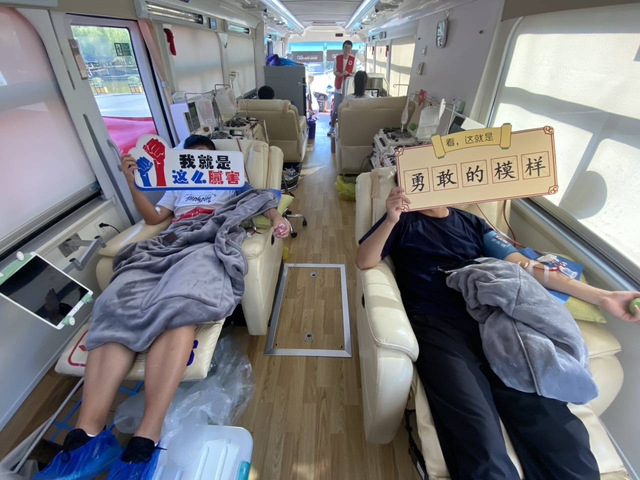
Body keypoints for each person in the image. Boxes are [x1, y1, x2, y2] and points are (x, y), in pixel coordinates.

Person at [36, 135, 288, 480]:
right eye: (191, 156)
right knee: (115, 302)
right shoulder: (177, 186)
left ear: (216, 161)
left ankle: (146, 436)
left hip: (208, 240)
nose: (198, 161)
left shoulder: (230, 179)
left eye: (205, 156)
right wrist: (132, 182)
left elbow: (261, 198)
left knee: (180, 305)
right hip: (170, 241)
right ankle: (87, 436)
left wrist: (277, 218)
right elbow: (154, 218)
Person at [356, 186, 640, 480]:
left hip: (493, 320)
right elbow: (365, 260)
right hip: (436, 324)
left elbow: (525, 267)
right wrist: (391, 218)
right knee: (476, 428)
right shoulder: (402, 221)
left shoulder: (473, 223)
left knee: (547, 416)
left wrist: (604, 296)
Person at [328, 40, 355, 136]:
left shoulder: (353, 60)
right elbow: (334, 71)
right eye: (345, 48)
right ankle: (332, 127)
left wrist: (347, 73)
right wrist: (339, 74)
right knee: (335, 109)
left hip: (348, 89)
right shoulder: (338, 58)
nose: (347, 50)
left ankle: (345, 128)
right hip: (338, 88)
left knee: (347, 109)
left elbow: (354, 73)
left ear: (351, 50)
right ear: (342, 48)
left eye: (349, 48)